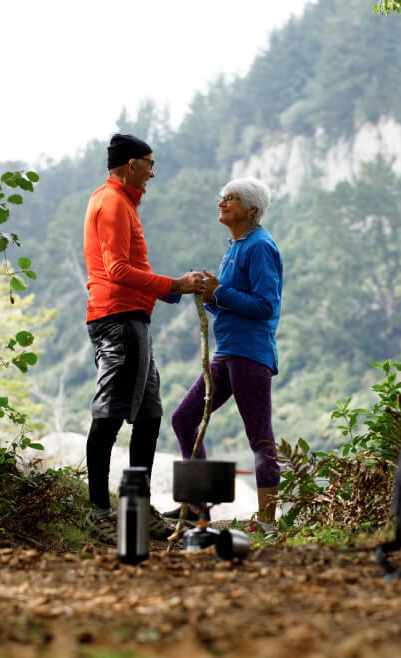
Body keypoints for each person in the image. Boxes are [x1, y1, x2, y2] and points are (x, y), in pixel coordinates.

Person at [83, 133, 205, 543]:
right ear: (131, 164)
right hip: (117, 319)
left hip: (134, 320)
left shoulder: (123, 203)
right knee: (111, 412)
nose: (153, 172)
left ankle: (135, 508)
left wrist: (171, 291)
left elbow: (131, 267)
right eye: (150, 164)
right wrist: (174, 284)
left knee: (149, 414)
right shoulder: (113, 202)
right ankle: (98, 512)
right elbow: (116, 270)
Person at [166, 177, 283, 525]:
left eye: (230, 199)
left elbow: (265, 305)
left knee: (259, 434)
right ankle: (198, 504)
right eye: (222, 197)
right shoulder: (234, 246)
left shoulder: (260, 245)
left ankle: (267, 520)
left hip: (251, 353)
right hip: (227, 352)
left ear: (251, 209)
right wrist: (210, 295)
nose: (222, 203)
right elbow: (229, 303)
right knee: (184, 419)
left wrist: (219, 295)